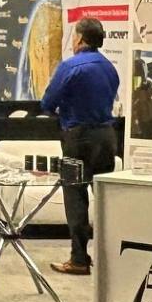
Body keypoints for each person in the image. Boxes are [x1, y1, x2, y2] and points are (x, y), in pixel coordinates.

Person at [39, 17, 121, 275]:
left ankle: (79, 259)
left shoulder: (70, 66)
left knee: (75, 196)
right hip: (107, 137)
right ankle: (113, 258)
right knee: (105, 198)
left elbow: (47, 103)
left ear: (80, 39)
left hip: (78, 138)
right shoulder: (109, 67)